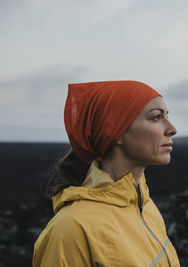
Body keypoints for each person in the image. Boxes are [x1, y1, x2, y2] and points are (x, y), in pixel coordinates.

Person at [33, 81, 180, 266]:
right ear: (115, 130)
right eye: (157, 117)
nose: (172, 129)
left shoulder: (145, 206)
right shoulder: (72, 229)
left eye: (167, 116)